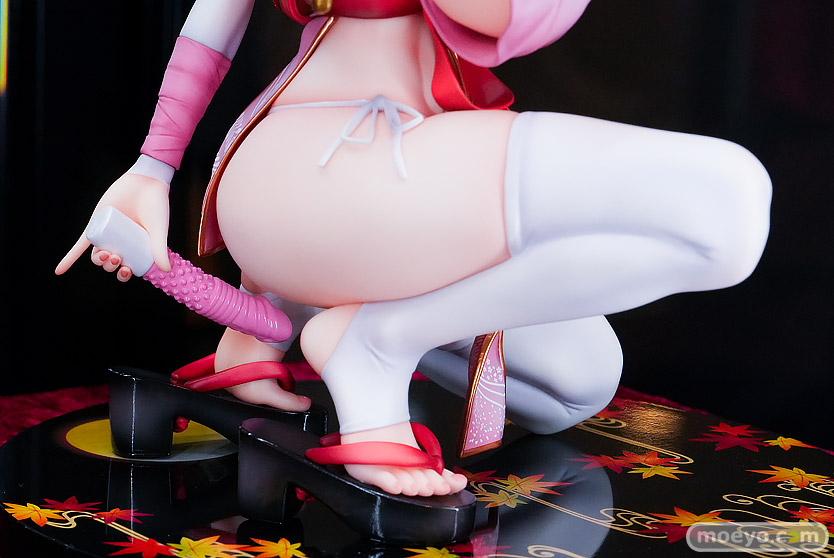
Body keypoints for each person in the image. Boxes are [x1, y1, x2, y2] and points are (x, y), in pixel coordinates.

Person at [55, 0, 771, 499]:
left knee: (577, 385)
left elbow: (512, 19)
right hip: (333, 164)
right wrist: (151, 168)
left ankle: (318, 310)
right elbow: (210, 28)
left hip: (394, 200)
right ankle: (373, 345)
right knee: (726, 197)